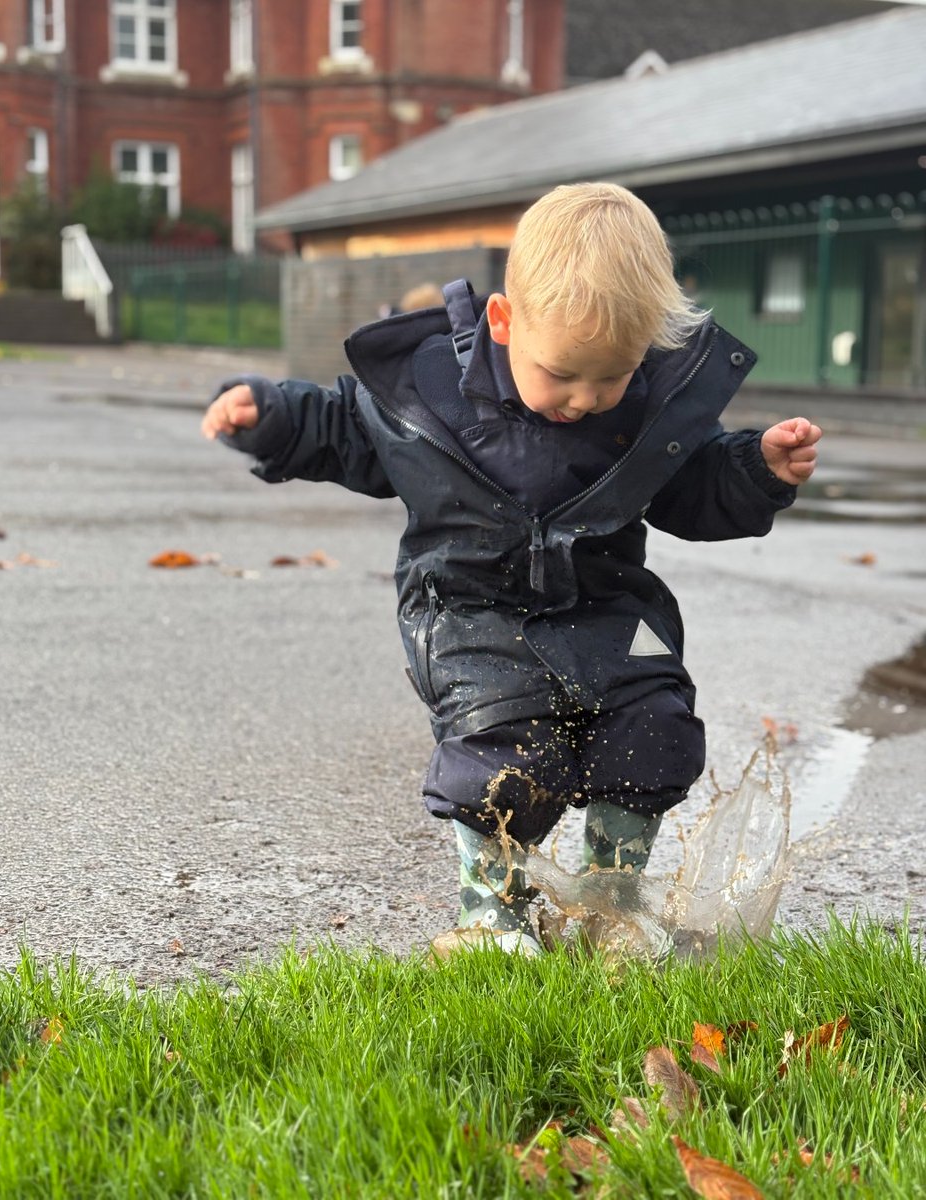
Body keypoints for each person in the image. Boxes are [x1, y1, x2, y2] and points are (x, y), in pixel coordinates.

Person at [201, 182, 821, 955]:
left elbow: (691, 487)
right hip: (469, 610)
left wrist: (756, 468)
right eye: (562, 373)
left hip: (610, 609)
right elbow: (344, 428)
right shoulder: (433, 395)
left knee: (654, 730)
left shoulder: (639, 408)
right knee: (505, 748)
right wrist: (272, 416)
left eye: (612, 377)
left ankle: (610, 902)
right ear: (504, 321)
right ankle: (492, 910)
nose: (585, 400)